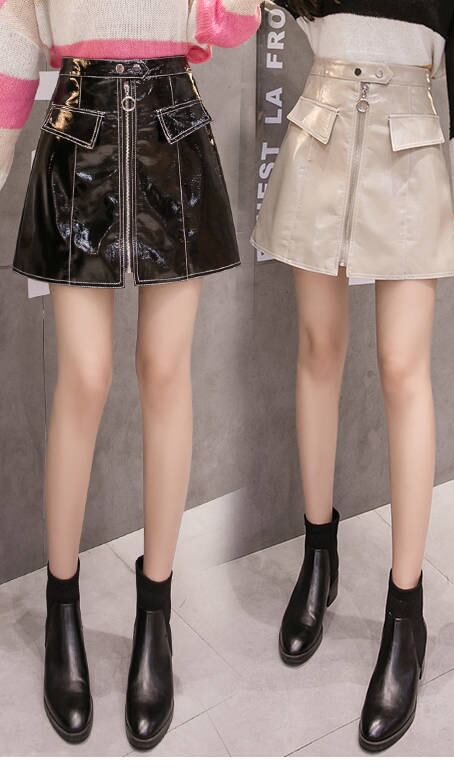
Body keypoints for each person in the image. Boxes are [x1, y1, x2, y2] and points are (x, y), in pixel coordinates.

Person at [252, 0, 454, 753]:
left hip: (411, 143)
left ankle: (407, 613)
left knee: (404, 369)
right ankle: (319, 554)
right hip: (321, 124)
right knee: (317, 349)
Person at [0, 0, 262, 750]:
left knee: (165, 372)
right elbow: (16, 29)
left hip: (171, 126)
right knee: (84, 378)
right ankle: (63, 608)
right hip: (77, 131)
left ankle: (156, 615)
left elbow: (235, 20)